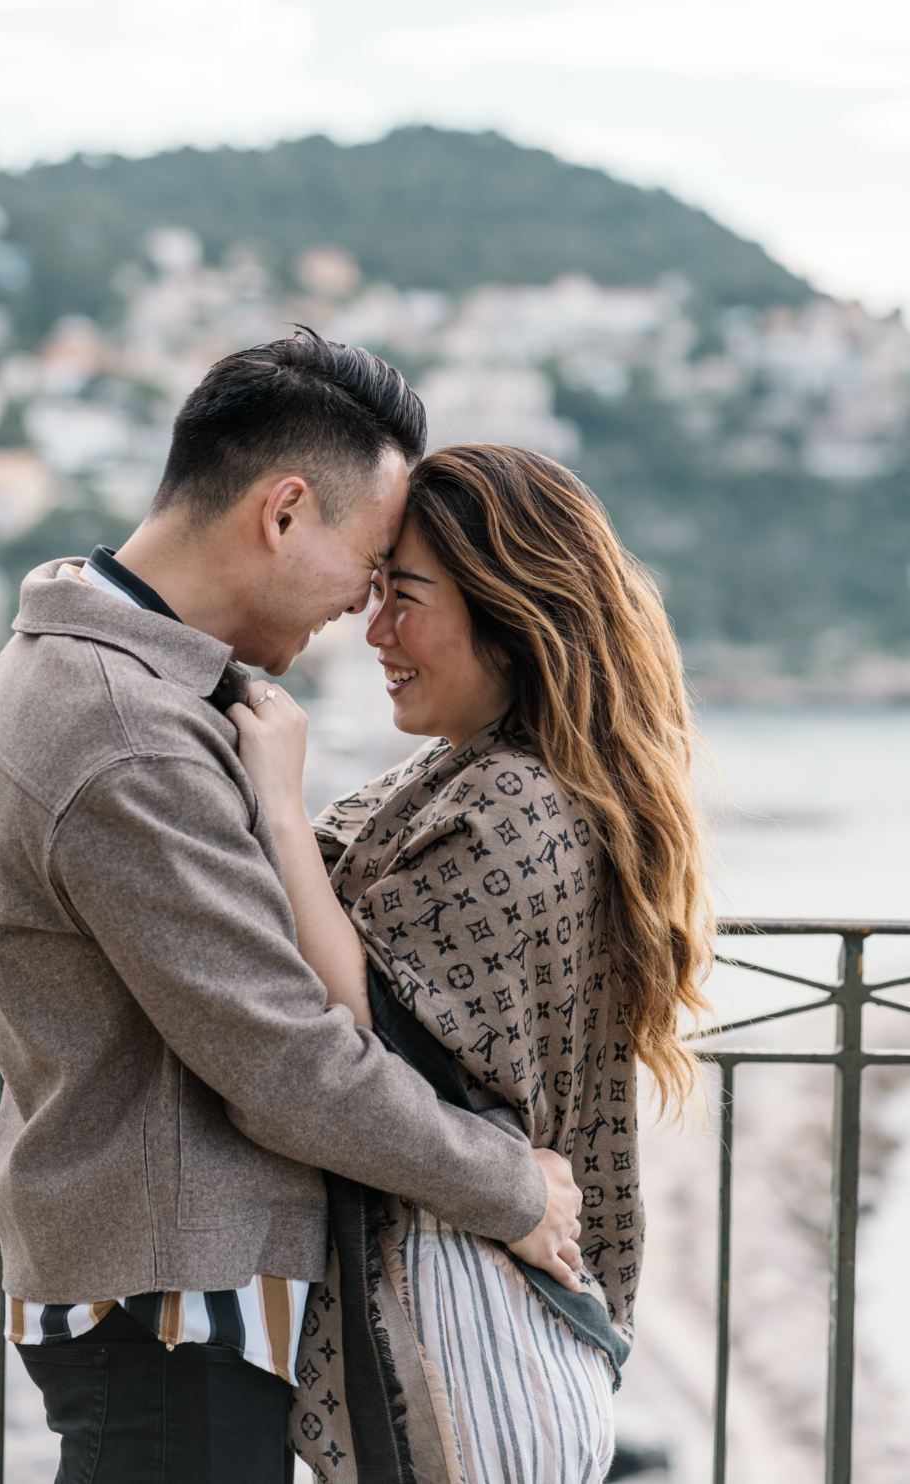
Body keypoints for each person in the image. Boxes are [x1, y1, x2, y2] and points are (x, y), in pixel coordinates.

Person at [0, 337, 585, 1484]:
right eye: (371, 558)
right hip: (168, 1305)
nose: (366, 602)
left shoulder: (113, 678)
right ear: (285, 512)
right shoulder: (124, 731)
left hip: (156, 1286)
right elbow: (284, 1059)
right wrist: (509, 1187)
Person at [229, 443, 713, 1483]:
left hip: (464, 1325)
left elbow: (364, 1025)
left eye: (406, 598)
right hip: (476, 1318)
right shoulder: (472, 775)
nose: (376, 630)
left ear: (508, 612)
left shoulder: (512, 806)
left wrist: (274, 797)